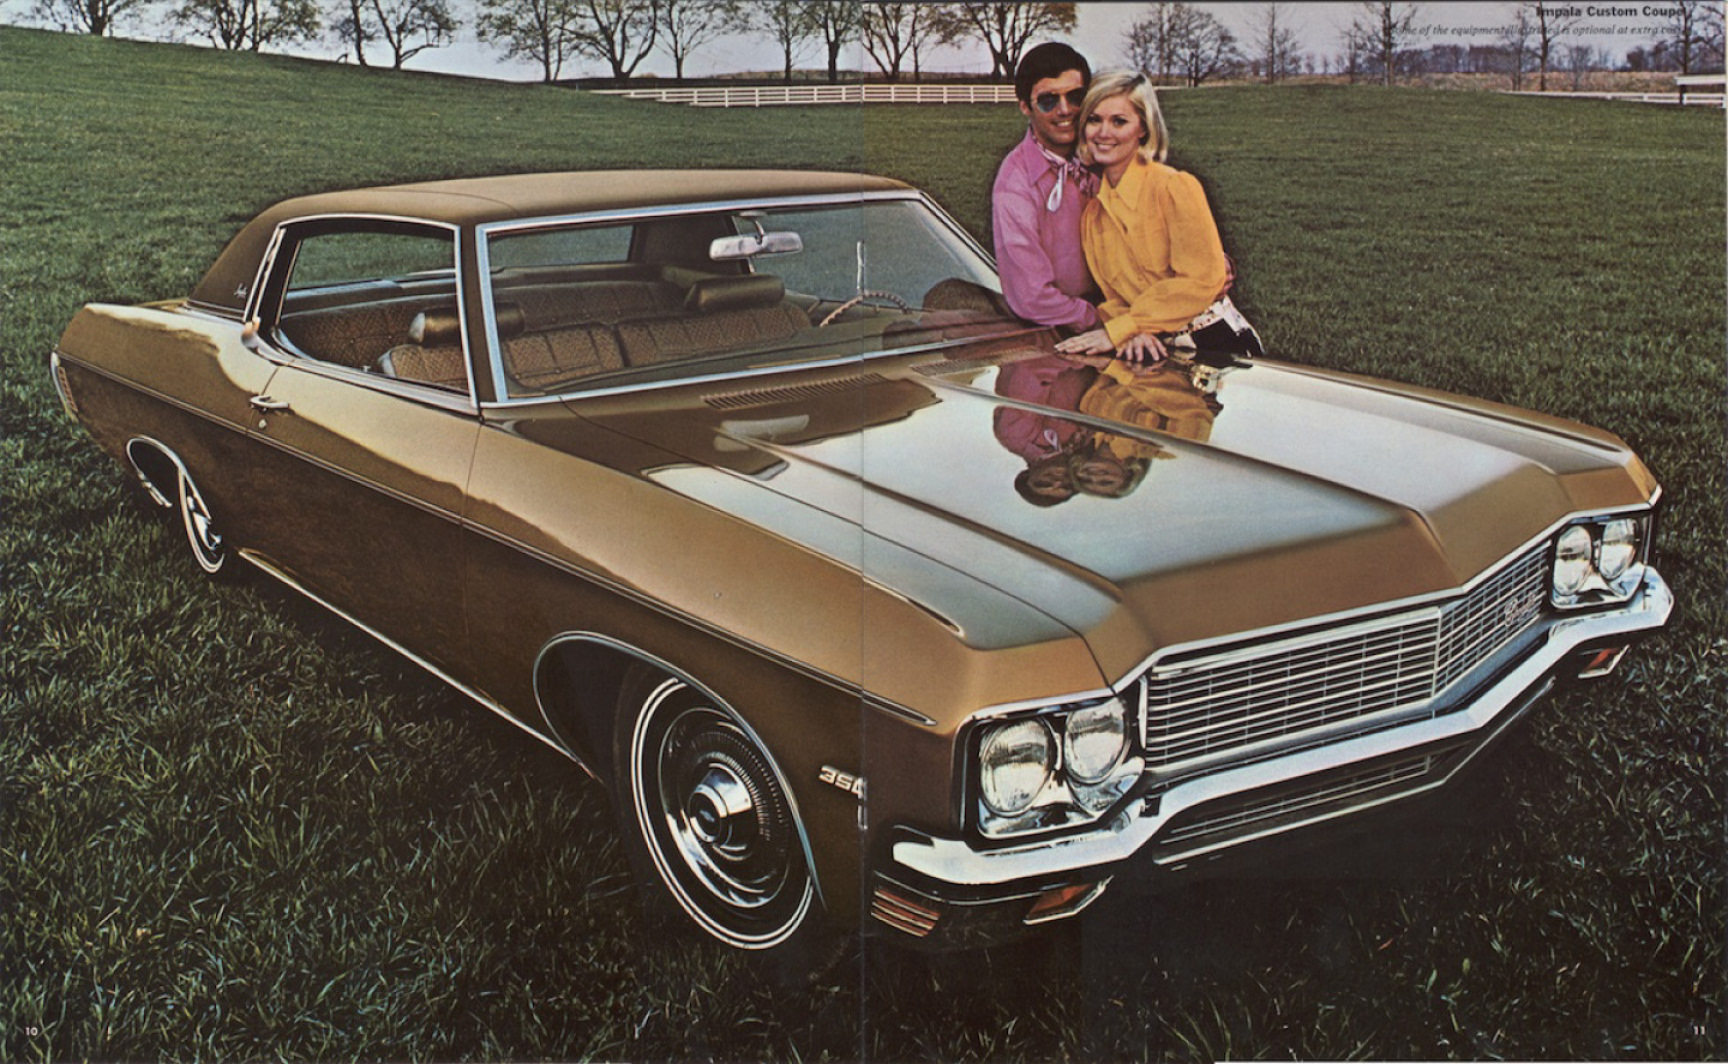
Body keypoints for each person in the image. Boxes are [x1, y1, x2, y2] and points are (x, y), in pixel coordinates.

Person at [1054, 72, 1262, 364]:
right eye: (1094, 120)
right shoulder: (1093, 216)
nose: (1103, 133)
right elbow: (1113, 298)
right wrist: (1131, 331)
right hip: (1150, 349)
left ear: (1143, 128)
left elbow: (1202, 280)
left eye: (1119, 121)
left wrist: (1126, 327)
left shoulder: (1173, 186)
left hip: (1214, 341)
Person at [991, 43, 1101, 329]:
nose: (1065, 110)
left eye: (1075, 97)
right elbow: (1032, 297)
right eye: (1048, 101)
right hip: (1062, 329)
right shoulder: (1015, 183)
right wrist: (1104, 322)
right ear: (1025, 106)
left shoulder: (1108, 153)